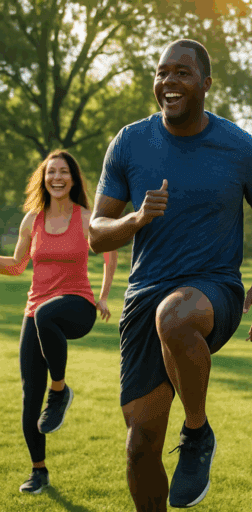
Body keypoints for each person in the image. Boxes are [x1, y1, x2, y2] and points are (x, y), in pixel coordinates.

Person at [89, 39, 252, 510]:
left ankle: (197, 431)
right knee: (140, 446)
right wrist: (136, 219)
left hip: (213, 289)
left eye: (182, 73)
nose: (168, 82)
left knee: (174, 317)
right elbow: (96, 234)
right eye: (162, 73)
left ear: (206, 84)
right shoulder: (130, 142)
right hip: (144, 294)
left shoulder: (240, 147)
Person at [1, 150, 117, 494]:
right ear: (43, 178)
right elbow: (18, 265)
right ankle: (38, 471)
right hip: (36, 312)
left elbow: (109, 253)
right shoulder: (32, 220)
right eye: (51, 172)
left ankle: (60, 389)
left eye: (63, 172)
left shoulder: (85, 218)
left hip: (77, 306)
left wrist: (104, 296)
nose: (57, 177)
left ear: (73, 178)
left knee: (47, 313)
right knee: (29, 398)